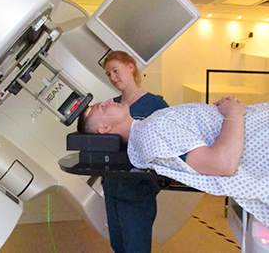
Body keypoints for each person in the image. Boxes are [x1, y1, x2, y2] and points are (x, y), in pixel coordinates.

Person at [77, 96, 269, 228]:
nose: (110, 100)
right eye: (102, 106)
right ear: (104, 128)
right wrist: (232, 113)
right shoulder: (150, 133)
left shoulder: (148, 126)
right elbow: (222, 164)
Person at [99, 51, 169, 253]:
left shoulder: (155, 105)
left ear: (131, 67)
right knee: (118, 244)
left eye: (115, 71)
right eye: (108, 74)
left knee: (136, 248)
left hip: (138, 191)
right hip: (113, 187)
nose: (112, 78)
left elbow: (165, 143)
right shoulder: (111, 105)